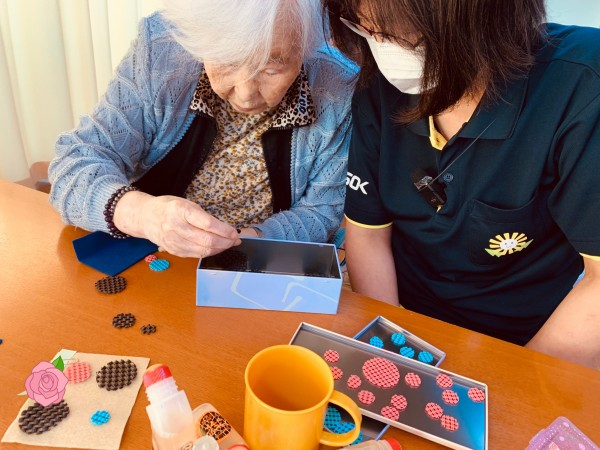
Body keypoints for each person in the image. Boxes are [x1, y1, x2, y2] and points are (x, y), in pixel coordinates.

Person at [325, 0, 600, 368]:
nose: (384, 51)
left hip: (525, 339)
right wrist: (389, 346)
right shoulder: (378, 84)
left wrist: (514, 383)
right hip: (404, 310)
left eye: (404, 37)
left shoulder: (581, 87)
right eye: (367, 30)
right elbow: (368, 234)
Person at [49, 0, 357, 259]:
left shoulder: (337, 85)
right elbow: (73, 167)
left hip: (255, 265)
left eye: (272, 68)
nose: (245, 93)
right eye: (228, 61)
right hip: (151, 257)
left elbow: (320, 212)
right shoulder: (161, 50)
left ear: (305, 49)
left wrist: (245, 241)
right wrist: (145, 215)